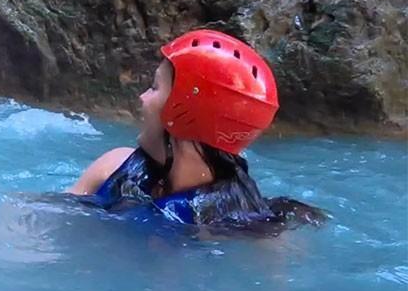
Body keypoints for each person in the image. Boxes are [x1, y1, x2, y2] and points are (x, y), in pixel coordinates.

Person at [67, 29, 325, 231]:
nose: (142, 98)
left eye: (155, 88)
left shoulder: (248, 229)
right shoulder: (113, 167)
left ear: (183, 114)